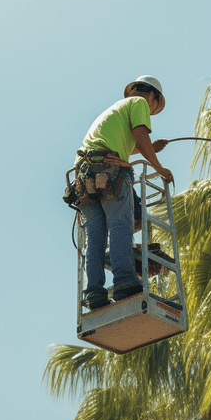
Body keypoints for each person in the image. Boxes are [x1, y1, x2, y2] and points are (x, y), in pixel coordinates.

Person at [75, 75, 174, 309]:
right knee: (121, 226)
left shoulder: (113, 112)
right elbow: (140, 134)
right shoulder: (139, 103)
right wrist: (159, 168)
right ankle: (125, 281)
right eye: (153, 106)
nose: (149, 110)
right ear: (152, 96)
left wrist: (146, 149)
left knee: (96, 237)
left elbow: (122, 142)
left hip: (83, 176)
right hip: (109, 172)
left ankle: (95, 294)